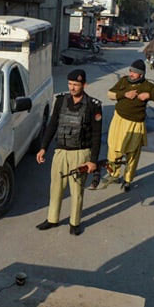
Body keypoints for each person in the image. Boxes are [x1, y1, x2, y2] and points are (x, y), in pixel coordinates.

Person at [35, 69, 102, 236]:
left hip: (80, 153)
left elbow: (96, 135)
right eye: (70, 84)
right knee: (56, 187)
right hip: (61, 152)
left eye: (76, 85)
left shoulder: (93, 105)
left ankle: (75, 222)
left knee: (77, 190)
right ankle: (52, 218)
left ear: (84, 85)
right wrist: (43, 147)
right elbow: (52, 126)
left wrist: (93, 160)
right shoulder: (61, 101)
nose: (72, 88)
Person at [100, 60, 154, 192]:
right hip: (118, 120)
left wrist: (150, 95)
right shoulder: (124, 81)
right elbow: (110, 94)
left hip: (136, 124)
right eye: (131, 71)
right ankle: (113, 175)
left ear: (141, 74)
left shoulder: (148, 85)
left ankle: (127, 180)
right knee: (114, 149)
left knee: (132, 153)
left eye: (135, 72)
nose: (131, 74)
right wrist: (124, 94)